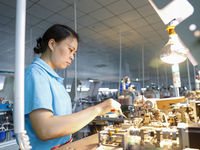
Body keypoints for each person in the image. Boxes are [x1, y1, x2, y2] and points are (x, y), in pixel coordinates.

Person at [24, 24, 121, 150]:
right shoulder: (35, 75)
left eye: (74, 52)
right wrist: (98, 109)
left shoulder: (54, 79)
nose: (72, 57)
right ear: (52, 44)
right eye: (70, 50)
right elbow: (45, 129)